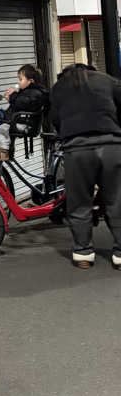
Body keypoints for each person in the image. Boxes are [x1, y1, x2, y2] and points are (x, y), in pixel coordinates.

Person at [49, 62, 121, 269]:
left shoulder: (59, 88)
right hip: (111, 146)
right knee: (117, 199)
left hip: (77, 149)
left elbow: (54, 118)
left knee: (79, 201)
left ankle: (83, 253)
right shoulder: (106, 80)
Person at [0, 64, 48, 162]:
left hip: (26, 124)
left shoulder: (34, 93)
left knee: (3, 127)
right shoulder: (28, 91)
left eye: (20, 79)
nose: (18, 82)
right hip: (22, 121)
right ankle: (8, 152)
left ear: (30, 81)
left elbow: (21, 103)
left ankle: (3, 153)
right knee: (1, 124)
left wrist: (11, 96)